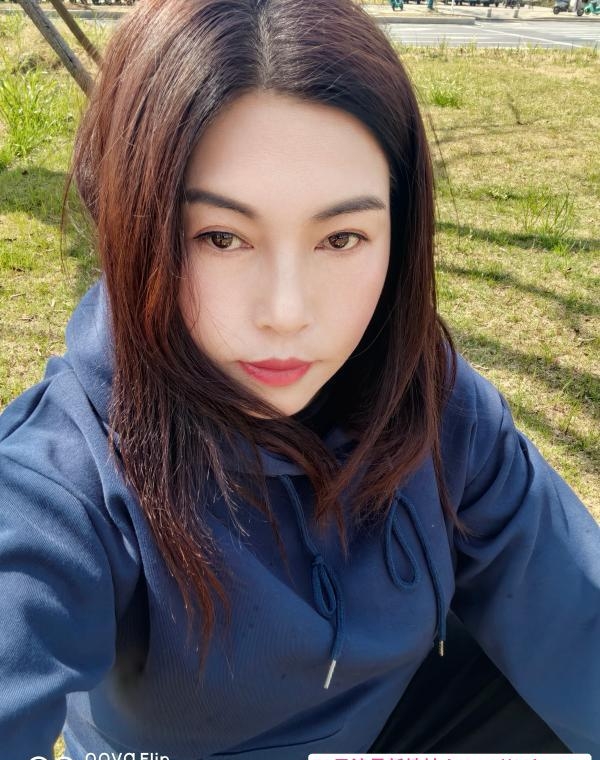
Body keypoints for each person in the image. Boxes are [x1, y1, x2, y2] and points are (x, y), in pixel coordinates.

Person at [0, 0, 598, 759]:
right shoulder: (61, 481)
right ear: (132, 223)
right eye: (220, 237)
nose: (286, 313)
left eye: (341, 237)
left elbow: (578, 618)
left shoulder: (433, 404)